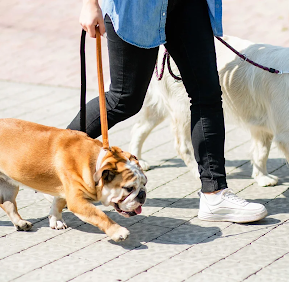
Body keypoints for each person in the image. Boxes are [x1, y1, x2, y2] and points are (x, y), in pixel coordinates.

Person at [68, 0, 267, 223]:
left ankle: (215, 195)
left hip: (187, 6)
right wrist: (90, 3)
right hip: (136, 8)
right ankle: (50, 160)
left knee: (207, 95)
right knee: (124, 99)